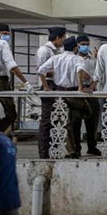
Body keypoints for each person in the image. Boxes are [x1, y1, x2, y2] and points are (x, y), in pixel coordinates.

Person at [38, 36, 93, 158]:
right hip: (73, 93)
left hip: (59, 92)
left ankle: (72, 150)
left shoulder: (56, 58)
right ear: (75, 48)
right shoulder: (77, 58)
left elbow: (41, 70)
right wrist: (80, 87)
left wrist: (46, 87)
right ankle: (74, 150)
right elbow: (79, 71)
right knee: (84, 114)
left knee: (67, 122)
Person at [34, 27, 66, 158]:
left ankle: (54, 148)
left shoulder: (57, 50)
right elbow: (41, 70)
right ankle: (43, 152)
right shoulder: (44, 51)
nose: (64, 41)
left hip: (57, 85)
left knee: (57, 119)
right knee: (47, 120)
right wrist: (60, 70)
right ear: (57, 37)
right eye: (63, 38)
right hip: (48, 85)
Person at [76, 34, 102, 156]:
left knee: (93, 120)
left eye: (87, 44)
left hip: (91, 90)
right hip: (78, 91)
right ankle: (76, 148)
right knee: (76, 120)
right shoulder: (74, 59)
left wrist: (93, 84)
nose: (85, 47)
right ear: (77, 46)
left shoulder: (93, 60)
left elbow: (99, 73)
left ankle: (92, 146)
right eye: (83, 44)